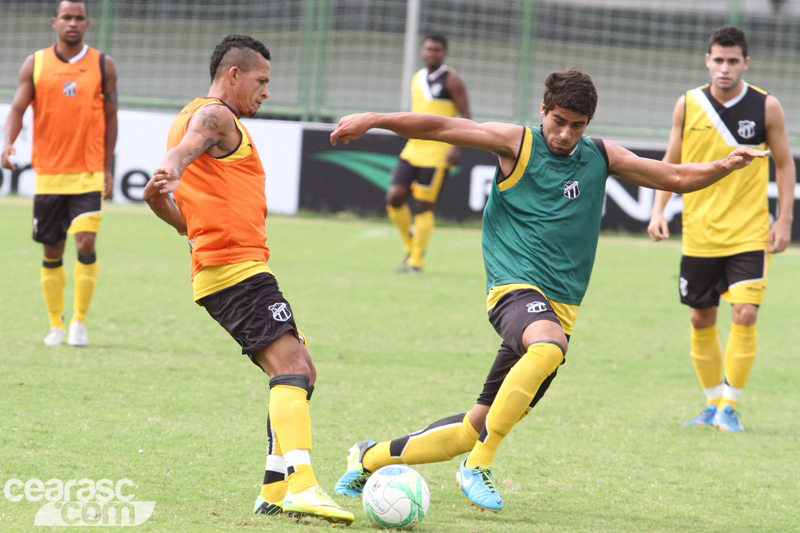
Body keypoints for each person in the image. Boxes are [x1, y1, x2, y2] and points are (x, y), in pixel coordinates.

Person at [329, 68, 768, 512]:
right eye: (558, 121)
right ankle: (478, 465)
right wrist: (374, 119)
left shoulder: (600, 156)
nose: (564, 134)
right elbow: (442, 126)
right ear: (543, 110)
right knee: (549, 346)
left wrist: (723, 165)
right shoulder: (515, 143)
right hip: (513, 288)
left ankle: (367, 457)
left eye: (577, 125)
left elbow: (673, 176)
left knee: (474, 426)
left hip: (561, 308)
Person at [142, 35, 353, 525]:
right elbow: (183, 153)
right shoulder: (216, 116)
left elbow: (165, 204)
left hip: (234, 269)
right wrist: (171, 167)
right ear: (233, 75)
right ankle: (303, 486)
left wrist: (175, 207)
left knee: (302, 371)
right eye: (261, 81)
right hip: (235, 271)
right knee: (291, 368)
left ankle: (274, 490)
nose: (266, 92)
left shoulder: (193, 115)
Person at [648, 26, 795, 433]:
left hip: (749, 232)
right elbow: (671, 163)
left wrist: (784, 219)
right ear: (707, 61)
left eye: (733, 61)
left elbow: (785, 164)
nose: (724, 68)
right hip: (700, 232)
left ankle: (730, 406)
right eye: (718, 60)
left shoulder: (766, 106)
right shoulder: (687, 104)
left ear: (745, 63)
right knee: (700, 318)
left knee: (745, 313)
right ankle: (712, 404)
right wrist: (659, 210)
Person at [2, 0, 118, 347]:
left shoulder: (103, 64)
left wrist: (107, 167)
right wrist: (8, 143)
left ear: (87, 23)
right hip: (49, 174)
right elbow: (18, 108)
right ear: (55, 22)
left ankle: (79, 321)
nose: (73, 22)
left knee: (85, 242)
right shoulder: (35, 63)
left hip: (87, 172)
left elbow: (111, 117)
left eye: (79, 17)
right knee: (52, 250)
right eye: (66, 17)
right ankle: (56, 324)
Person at [387, 33, 470, 273]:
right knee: (394, 197)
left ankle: (416, 261)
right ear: (422, 51)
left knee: (423, 205)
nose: (432, 53)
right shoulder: (417, 78)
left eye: (437, 50)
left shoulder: (452, 80)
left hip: (438, 152)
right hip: (413, 149)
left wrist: (457, 146)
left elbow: (466, 115)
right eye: (428, 49)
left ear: (444, 53)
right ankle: (411, 245)